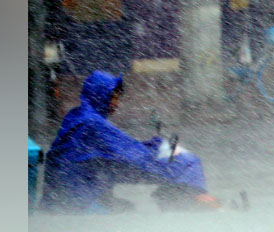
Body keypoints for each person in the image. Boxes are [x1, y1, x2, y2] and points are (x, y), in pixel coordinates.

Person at [40, 71, 218, 213]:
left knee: (126, 208)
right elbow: (135, 156)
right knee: (127, 212)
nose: (116, 105)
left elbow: (119, 150)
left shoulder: (80, 116)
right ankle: (198, 199)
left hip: (62, 195)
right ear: (100, 95)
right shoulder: (92, 124)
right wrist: (174, 162)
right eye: (113, 98)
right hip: (77, 200)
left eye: (117, 99)